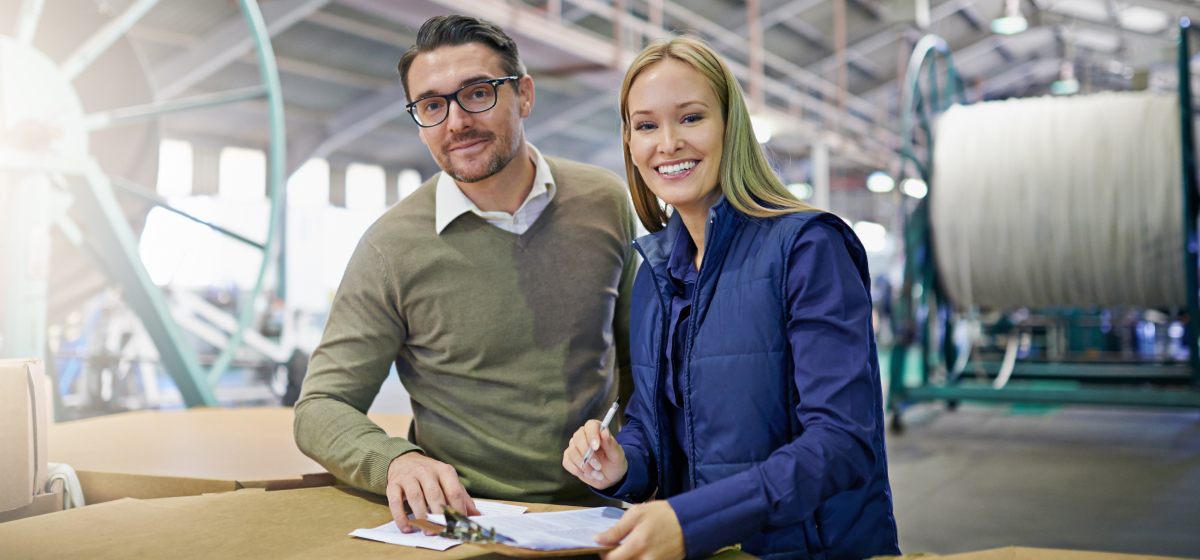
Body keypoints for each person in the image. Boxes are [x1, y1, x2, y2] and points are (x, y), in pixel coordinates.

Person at [295, 15, 637, 534]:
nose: (456, 123)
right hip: (468, 521)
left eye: (477, 93)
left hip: (597, 512)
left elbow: (640, 359)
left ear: (523, 95)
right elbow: (320, 405)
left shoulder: (603, 200)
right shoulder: (392, 247)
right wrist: (396, 461)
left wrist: (641, 461)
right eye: (432, 105)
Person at [562, 36, 900, 560]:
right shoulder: (655, 270)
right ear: (630, 142)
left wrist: (694, 519)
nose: (667, 143)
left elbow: (842, 442)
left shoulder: (807, 247)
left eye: (691, 118)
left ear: (730, 127)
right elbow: (654, 430)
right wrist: (622, 464)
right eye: (646, 125)